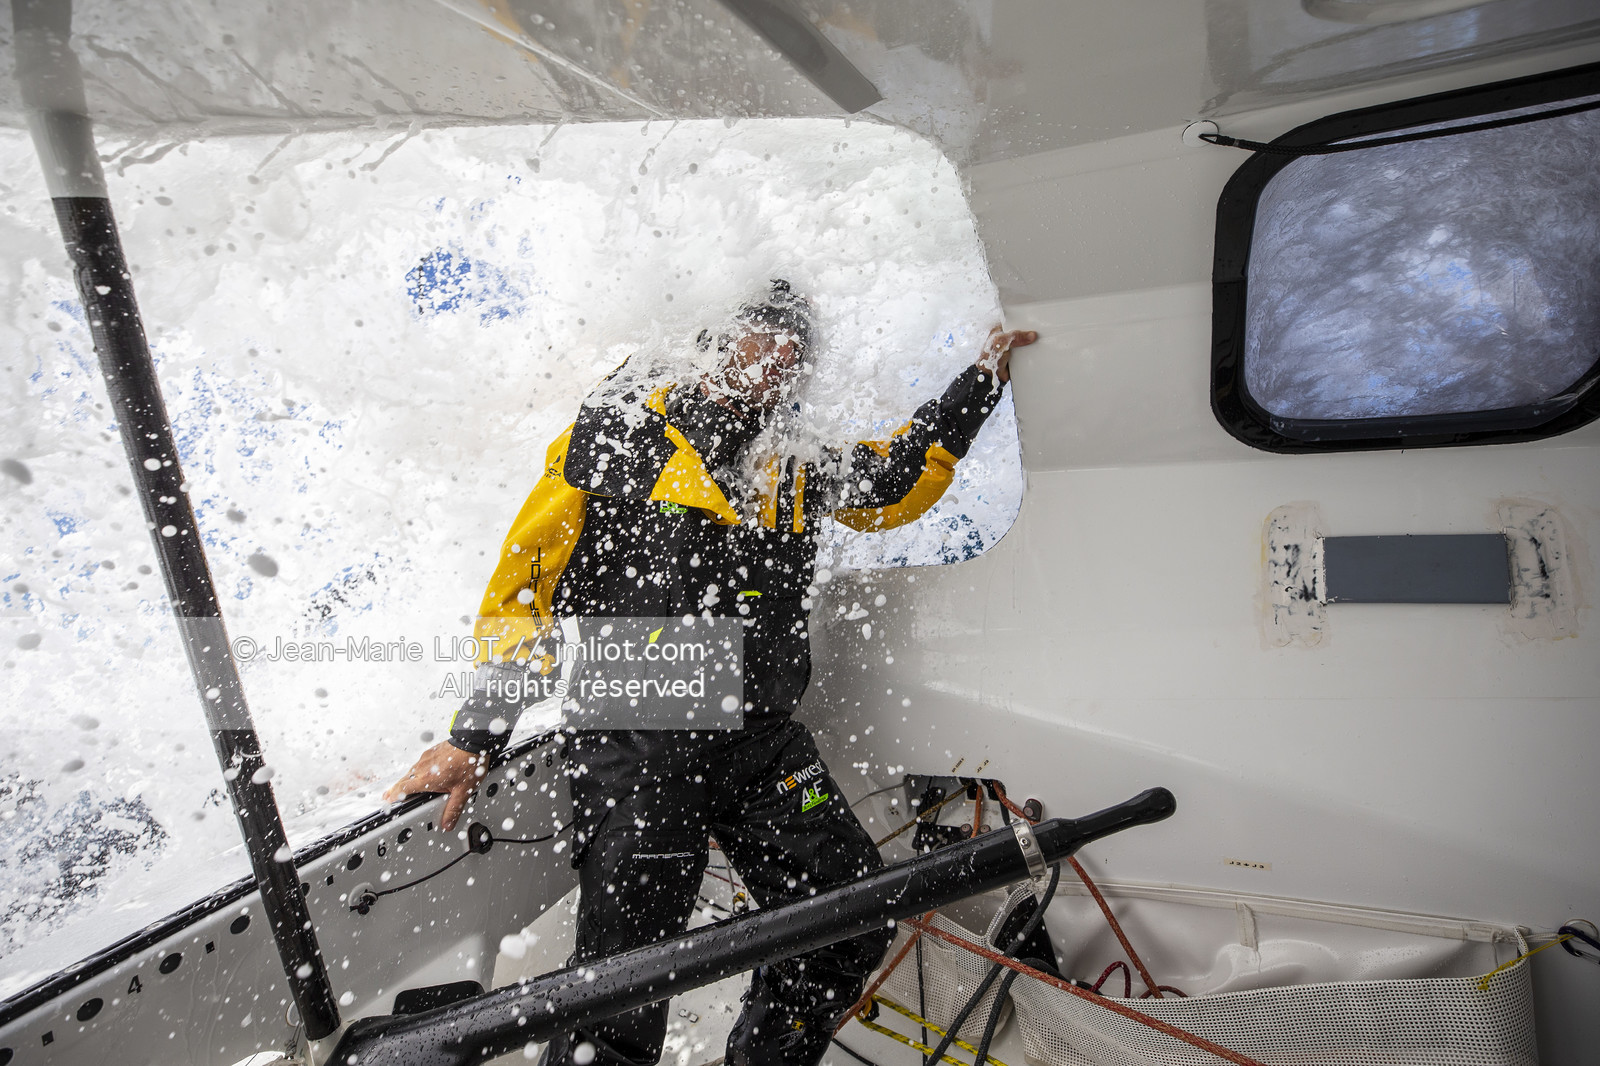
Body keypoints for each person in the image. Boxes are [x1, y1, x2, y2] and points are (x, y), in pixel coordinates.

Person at [385, 280, 1036, 1066]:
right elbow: (527, 591)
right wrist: (476, 735)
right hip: (639, 737)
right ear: (712, 344)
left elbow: (897, 481)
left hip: (757, 740)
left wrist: (982, 377)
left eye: (793, 350)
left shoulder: (792, 464)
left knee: (849, 919)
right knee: (621, 994)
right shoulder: (615, 437)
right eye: (759, 337)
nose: (774, 359)